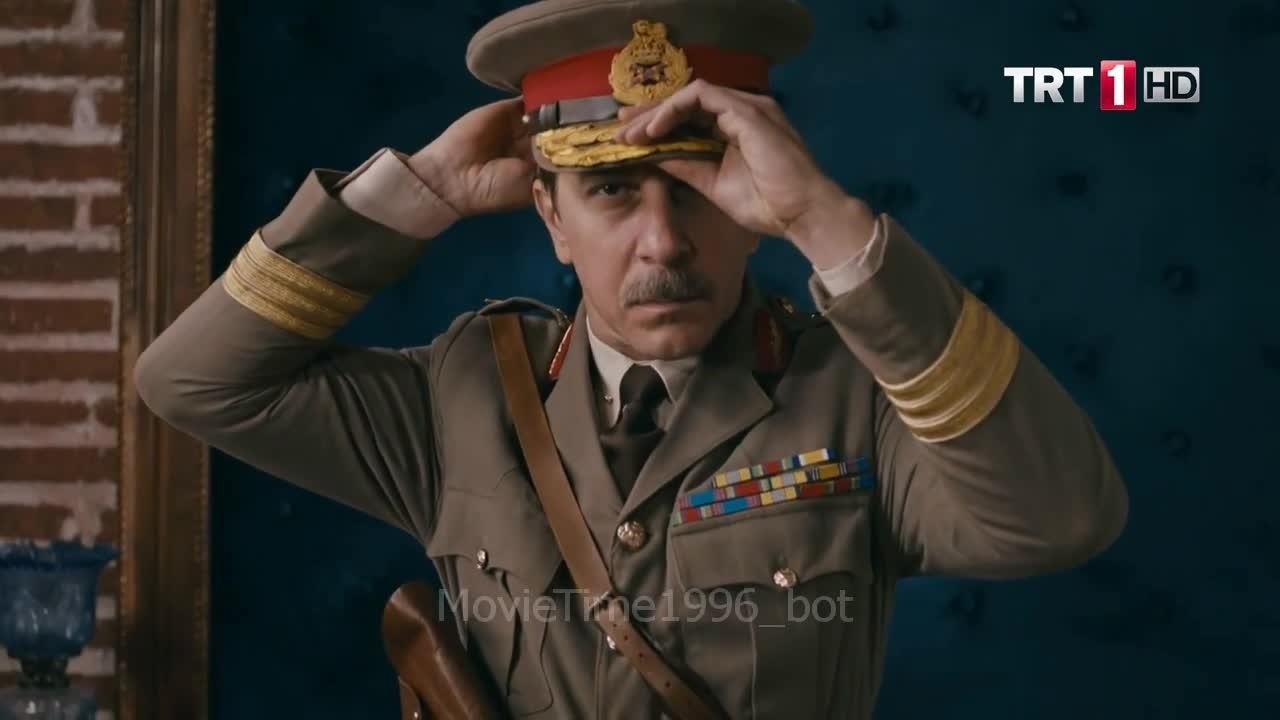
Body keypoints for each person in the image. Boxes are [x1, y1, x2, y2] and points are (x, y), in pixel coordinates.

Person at [134, 0, 1129, 717]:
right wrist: (414, 192)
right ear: (550, 217)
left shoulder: (858, 398)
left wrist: (827, 223)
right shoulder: (463, 395)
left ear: (755, 208)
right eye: (611, 191)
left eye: (695, 189)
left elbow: (1059, 519)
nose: (662, 243)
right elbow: (191, 382)